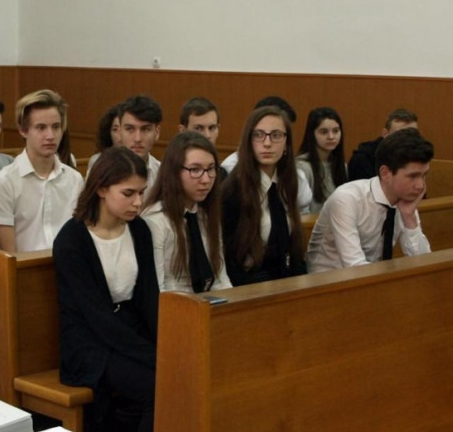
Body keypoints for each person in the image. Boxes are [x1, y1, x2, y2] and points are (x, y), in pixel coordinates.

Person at [53, 146, 158, 432]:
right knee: (158, 387)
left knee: (182, 371)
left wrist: (165, 345)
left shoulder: (139, 229)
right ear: (101, 189)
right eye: (128, 193)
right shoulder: (72, 239)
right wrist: (151, 354)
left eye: (141, 192)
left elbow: (149, 298)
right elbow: (94, 315)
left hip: (129, 333)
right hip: (89, 343)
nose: (138, 202)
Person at [307, 128, 432, 272]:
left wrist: (409, 218)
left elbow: (425, 264)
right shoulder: (347, 199)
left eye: (424, 175)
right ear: (385, 173)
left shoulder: (405, 201)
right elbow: (354, 266)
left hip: (371, 277)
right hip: (327, 280)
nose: (420, 186)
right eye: (412, 176)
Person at [0, 89, 84, 253]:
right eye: (41, 128)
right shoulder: (2, 184)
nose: (50, 135)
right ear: (23, 130)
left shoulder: (75, 179)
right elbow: (8, 255)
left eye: (56, 127)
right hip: (24, 266)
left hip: (67, 265)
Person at [221, 106, 306, 285]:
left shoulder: (287, 183)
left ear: (287, 144)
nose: (267, 143)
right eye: (258, 135)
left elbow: (293, 251)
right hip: (247, 285)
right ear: (248, 141)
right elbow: (229, 262)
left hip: (284, 282)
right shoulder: (232, 192)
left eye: (276, 135)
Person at [142, 132, 231, 292]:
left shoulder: (205, 215)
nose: (206, 179)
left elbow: (220, 278)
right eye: (195, 170)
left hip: (208, 301)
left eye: (211, 169)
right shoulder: (156, 220)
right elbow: (157, 289)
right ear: (174, 172)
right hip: (175, 303)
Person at [295, 107, 348, 213]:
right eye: (324, 132)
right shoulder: (302, 167)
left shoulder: (342, 165)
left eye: (336, 131)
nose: (331, 136)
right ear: (312, 134)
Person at [348, 108, 418, 181]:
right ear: (385, 134)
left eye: (412, 134)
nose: (407, 140)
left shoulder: (416, 156)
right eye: (400, 134)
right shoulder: (363, 159)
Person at [117, 95, 163, 192]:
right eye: (130, 129)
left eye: (145, 129)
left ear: (157, 132)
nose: (137, 139)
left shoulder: (164, 174)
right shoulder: (101, 172)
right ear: (119, 132)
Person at [86, 103, 122, 174]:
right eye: (115, 129)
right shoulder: (97, 160)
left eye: (127, 129)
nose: (120, 135)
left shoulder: (144, 160)